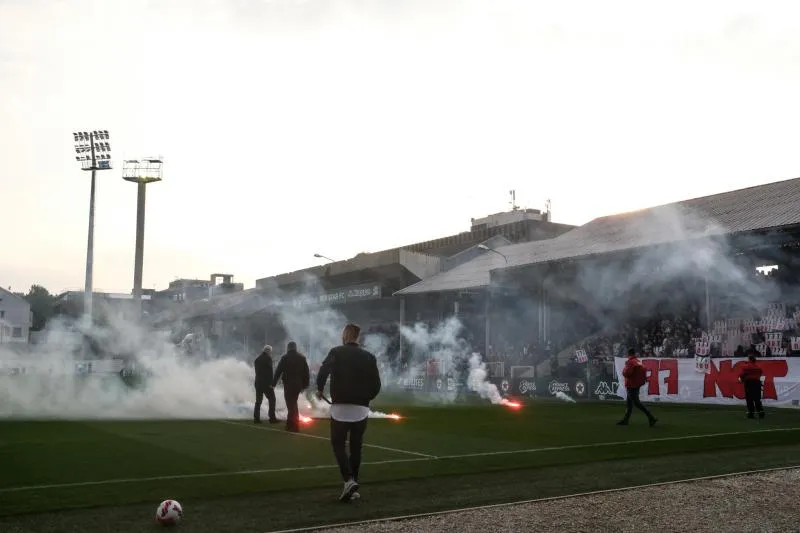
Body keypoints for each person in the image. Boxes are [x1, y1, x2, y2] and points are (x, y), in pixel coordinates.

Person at [316, 323, 382, 503]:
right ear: (357, 337)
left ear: (345, 335)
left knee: (338, 444)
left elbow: (323, 370)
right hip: (361, 407)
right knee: (356, 447)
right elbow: (377, 385)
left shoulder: (336, 351)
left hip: (341, 406)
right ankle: (353, 488)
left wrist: (320, 389)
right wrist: (366, 399)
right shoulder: (369, 356)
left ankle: (348, 480)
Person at [273, 341, 310, 432]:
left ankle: (294, 426)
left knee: (291, 405)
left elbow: (278, 371)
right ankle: (290, 424)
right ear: (295, 348)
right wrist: (305, 385)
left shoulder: (284, 358)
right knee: (293, 404)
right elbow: (306, 373)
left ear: (288, 348)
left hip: (288, 385)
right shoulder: (302, 358)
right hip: (298, 385)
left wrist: (273, 383)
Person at [617, 348, 657, 427]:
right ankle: (625, 420)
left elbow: (626, 373)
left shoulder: (630, 362)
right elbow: (644, 371)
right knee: (629, 404)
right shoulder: (638, 362)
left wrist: (625, 367)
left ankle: (651, 417)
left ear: (628, 354)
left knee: (636, 403)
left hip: (631, 385)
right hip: (636, 385)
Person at [253, 345, 278, 424]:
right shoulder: (268, 359)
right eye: (270, 351)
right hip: (266, 383)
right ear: (268, 351)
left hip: (258, 383)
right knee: (272, 399)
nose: (270, 353)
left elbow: (257, 372)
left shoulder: (257, 359)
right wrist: (272, 384)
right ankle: (272, 418)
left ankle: (256, 418)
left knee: (258, 401)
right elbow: (270, 372)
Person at [739, 354, 765, 419]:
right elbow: (760, 373)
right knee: (757, 399)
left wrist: (742, 379)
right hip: (757, 383)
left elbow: (741, 375)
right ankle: (761, 412)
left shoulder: (746, 367)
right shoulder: (758, 367)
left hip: (749, 383)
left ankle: (751, 413)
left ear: (749, 359)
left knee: (749, 399)